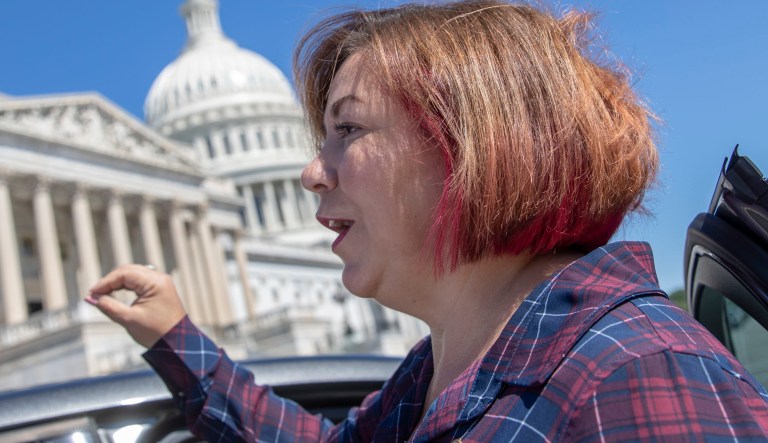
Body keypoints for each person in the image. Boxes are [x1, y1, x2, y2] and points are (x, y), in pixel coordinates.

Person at [87, 1, 768, 441]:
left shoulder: (635, 373)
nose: (310, 172)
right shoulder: (446, 371)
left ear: (472, 149)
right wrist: (176, 337)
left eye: (347, 129)